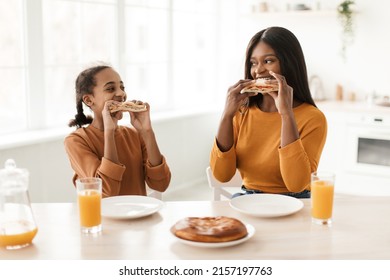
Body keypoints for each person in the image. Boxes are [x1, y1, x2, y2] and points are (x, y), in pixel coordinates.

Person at [210, 26, 327, 199]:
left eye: (269, 61)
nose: (258, 71)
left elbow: (296, 184)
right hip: (248, 199)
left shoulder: (313, 118)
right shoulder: (242, 112)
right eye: (253, 63)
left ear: (289, 63)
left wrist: (286, 114)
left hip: (296, 201)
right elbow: (221, 175)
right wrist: (227, 116)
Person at [64, 64, 171, 197]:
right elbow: (106, 190)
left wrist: (147, 132)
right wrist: (109, 132)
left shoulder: (134, 135)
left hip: (137, 215)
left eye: (122, 87)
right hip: (102, 217)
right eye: (110, 89)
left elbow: (161, 184)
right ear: (89, 100)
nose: (121, 93)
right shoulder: (76, 141)